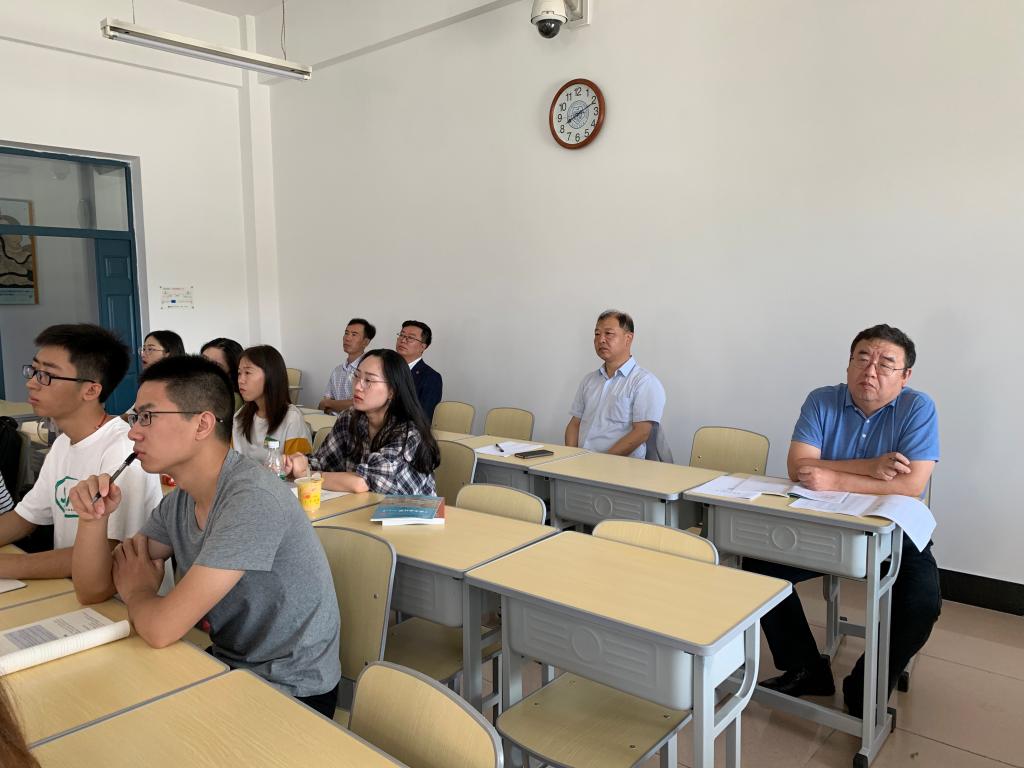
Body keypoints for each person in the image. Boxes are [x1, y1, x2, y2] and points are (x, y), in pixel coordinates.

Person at [68, 355, 342, 717]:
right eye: (135, 418)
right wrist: (92, 519)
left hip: (291, 688)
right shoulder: (181, 500)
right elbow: (93, 589)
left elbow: (162, 628)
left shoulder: (251, 499)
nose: (133, 432)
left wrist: (137, 592)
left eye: (147, 417)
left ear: (202, 424)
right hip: (231, 667)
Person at [743, 324, 941, 717]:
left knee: (921, 602)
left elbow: (911, 484)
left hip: (892, 531)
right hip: (821, 525)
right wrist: (872, 468)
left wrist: (832, 477)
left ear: (905, 376)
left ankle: (864, 688)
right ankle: (806, 668)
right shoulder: (821, 400)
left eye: (886, 364)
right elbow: (800, 467)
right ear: (848, 365)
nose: (871, 370)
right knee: (756, 566)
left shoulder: (918, 408)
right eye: (862, 358)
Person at [0, 324, 161, 579]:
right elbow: (25, 517)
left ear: (91, 390)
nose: (31, 383)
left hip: (119, 596)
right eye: (34, 370)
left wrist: (10, 566)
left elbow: (111, 550)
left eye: (47, 376)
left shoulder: (123, 448)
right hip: (74, 588)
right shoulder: (63, 444)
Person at [285, 349, 440, 495]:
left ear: (392, 391)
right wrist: (296, 464)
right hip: (364, 507)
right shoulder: (349, 418)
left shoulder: (408, 431)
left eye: (368, 380)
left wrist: (308, 476)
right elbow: (323, 462)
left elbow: (363, 482)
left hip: (409, 512)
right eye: (356, 376)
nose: (358, 386)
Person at [565, 310, 666, 459]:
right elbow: (574, 424)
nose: (601, 340)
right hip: (581, 463)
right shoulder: (589, 380)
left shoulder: (644, 382)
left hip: (620, 467)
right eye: (597, 334)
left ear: (628, 338)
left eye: (609, 333)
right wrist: (570, 457)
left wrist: (602, 462)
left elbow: (642, 432)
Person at [232, 345, 311, 462]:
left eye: (247, 372)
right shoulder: (240, 417)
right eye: (239, 373)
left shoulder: (291, 418)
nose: (240, 380)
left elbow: (298, 468)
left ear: (270, 375)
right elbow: (232, 462)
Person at [318, 318, 375, 415]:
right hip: (333, 421)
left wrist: (329, 403)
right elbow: (323, 404)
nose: (347, 338)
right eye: (346, 333)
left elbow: (360, 404)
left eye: (354, 334)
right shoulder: (337, 371)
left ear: (366, 342)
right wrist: (329, 405)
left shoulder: (369, 371)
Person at [395, 321, 442, 420]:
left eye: (410, 338)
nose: (403, 340)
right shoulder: (384, 367)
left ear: (423, 346)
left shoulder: (431, 378)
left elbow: (424, 417)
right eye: (401, 335)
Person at [201, 337, 244, 411]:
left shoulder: (232, 400)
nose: (205, 367)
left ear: (231, 373)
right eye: (203, 360)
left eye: (215, 365)